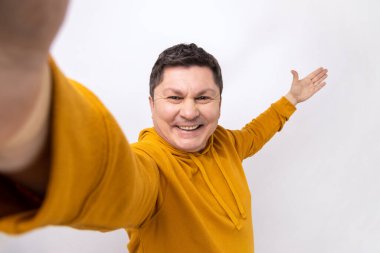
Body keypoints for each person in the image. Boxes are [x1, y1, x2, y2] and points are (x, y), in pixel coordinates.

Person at [0, 0, 328, 252]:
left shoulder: (227, 143)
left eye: (203, 97)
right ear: (151, 104)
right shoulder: (151, 168)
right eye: (174, 97)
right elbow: (113, 183)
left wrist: (291, 100)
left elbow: (257, 132)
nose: (189, 112)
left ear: (219, 105)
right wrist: (29, 125)